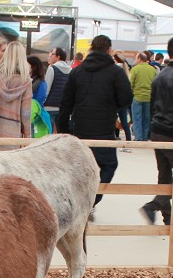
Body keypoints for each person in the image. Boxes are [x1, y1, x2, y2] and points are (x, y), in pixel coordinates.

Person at [56, 35, 132, 210]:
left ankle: (79, 202)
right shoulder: (116, 72)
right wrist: (113, 105)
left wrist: (64, 129)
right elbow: (126, 98)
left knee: (78, 168)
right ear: (109, 50)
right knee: (108, 164)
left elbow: (66, 103)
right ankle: (91, 200)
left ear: (91, 48)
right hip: (104, 129)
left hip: (80, 128)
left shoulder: (77, 71)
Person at [140, 37, 173, 226]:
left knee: (164, 174)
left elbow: (153, 104)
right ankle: (154, 205)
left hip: (158, 131)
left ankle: (168, 218)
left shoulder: (159, 75)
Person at [129, 51, 156, 142]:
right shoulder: (153, 69)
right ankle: (144, 137)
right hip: (149, 97)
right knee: (146, 118)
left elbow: (130, 83)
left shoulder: (135, 69)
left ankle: (138, 137)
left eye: (136, 58)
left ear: (140, 59)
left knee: (137, 118)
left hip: (137, 97)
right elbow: (155, 84)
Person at [43, 48, 71, 129]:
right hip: (63, 107)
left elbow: (47, 89)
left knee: (48, 133)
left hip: (49, 107)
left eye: (52, 54)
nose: (50, 56)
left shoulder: (52, 69)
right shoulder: (70, 70)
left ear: (58, 57)